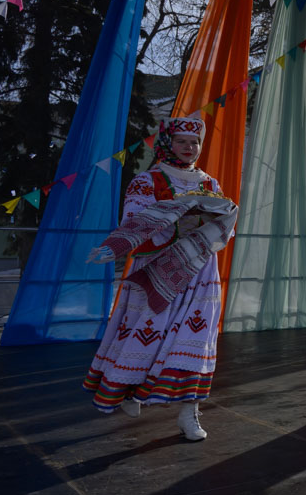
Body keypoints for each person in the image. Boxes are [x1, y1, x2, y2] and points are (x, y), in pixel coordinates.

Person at [82, 117, 238, 441]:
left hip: (199, 272)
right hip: (157, 269)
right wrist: (178, 218)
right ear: (168, 143)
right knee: (145, 334)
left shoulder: (210, 184)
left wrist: (211, 222)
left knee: (195, 339)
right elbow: (134, 222)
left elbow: (226, 227)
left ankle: (189, 413)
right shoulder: (147, 181)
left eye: (194, 142)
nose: (189, 147)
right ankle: (130, 390)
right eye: (181, 141)